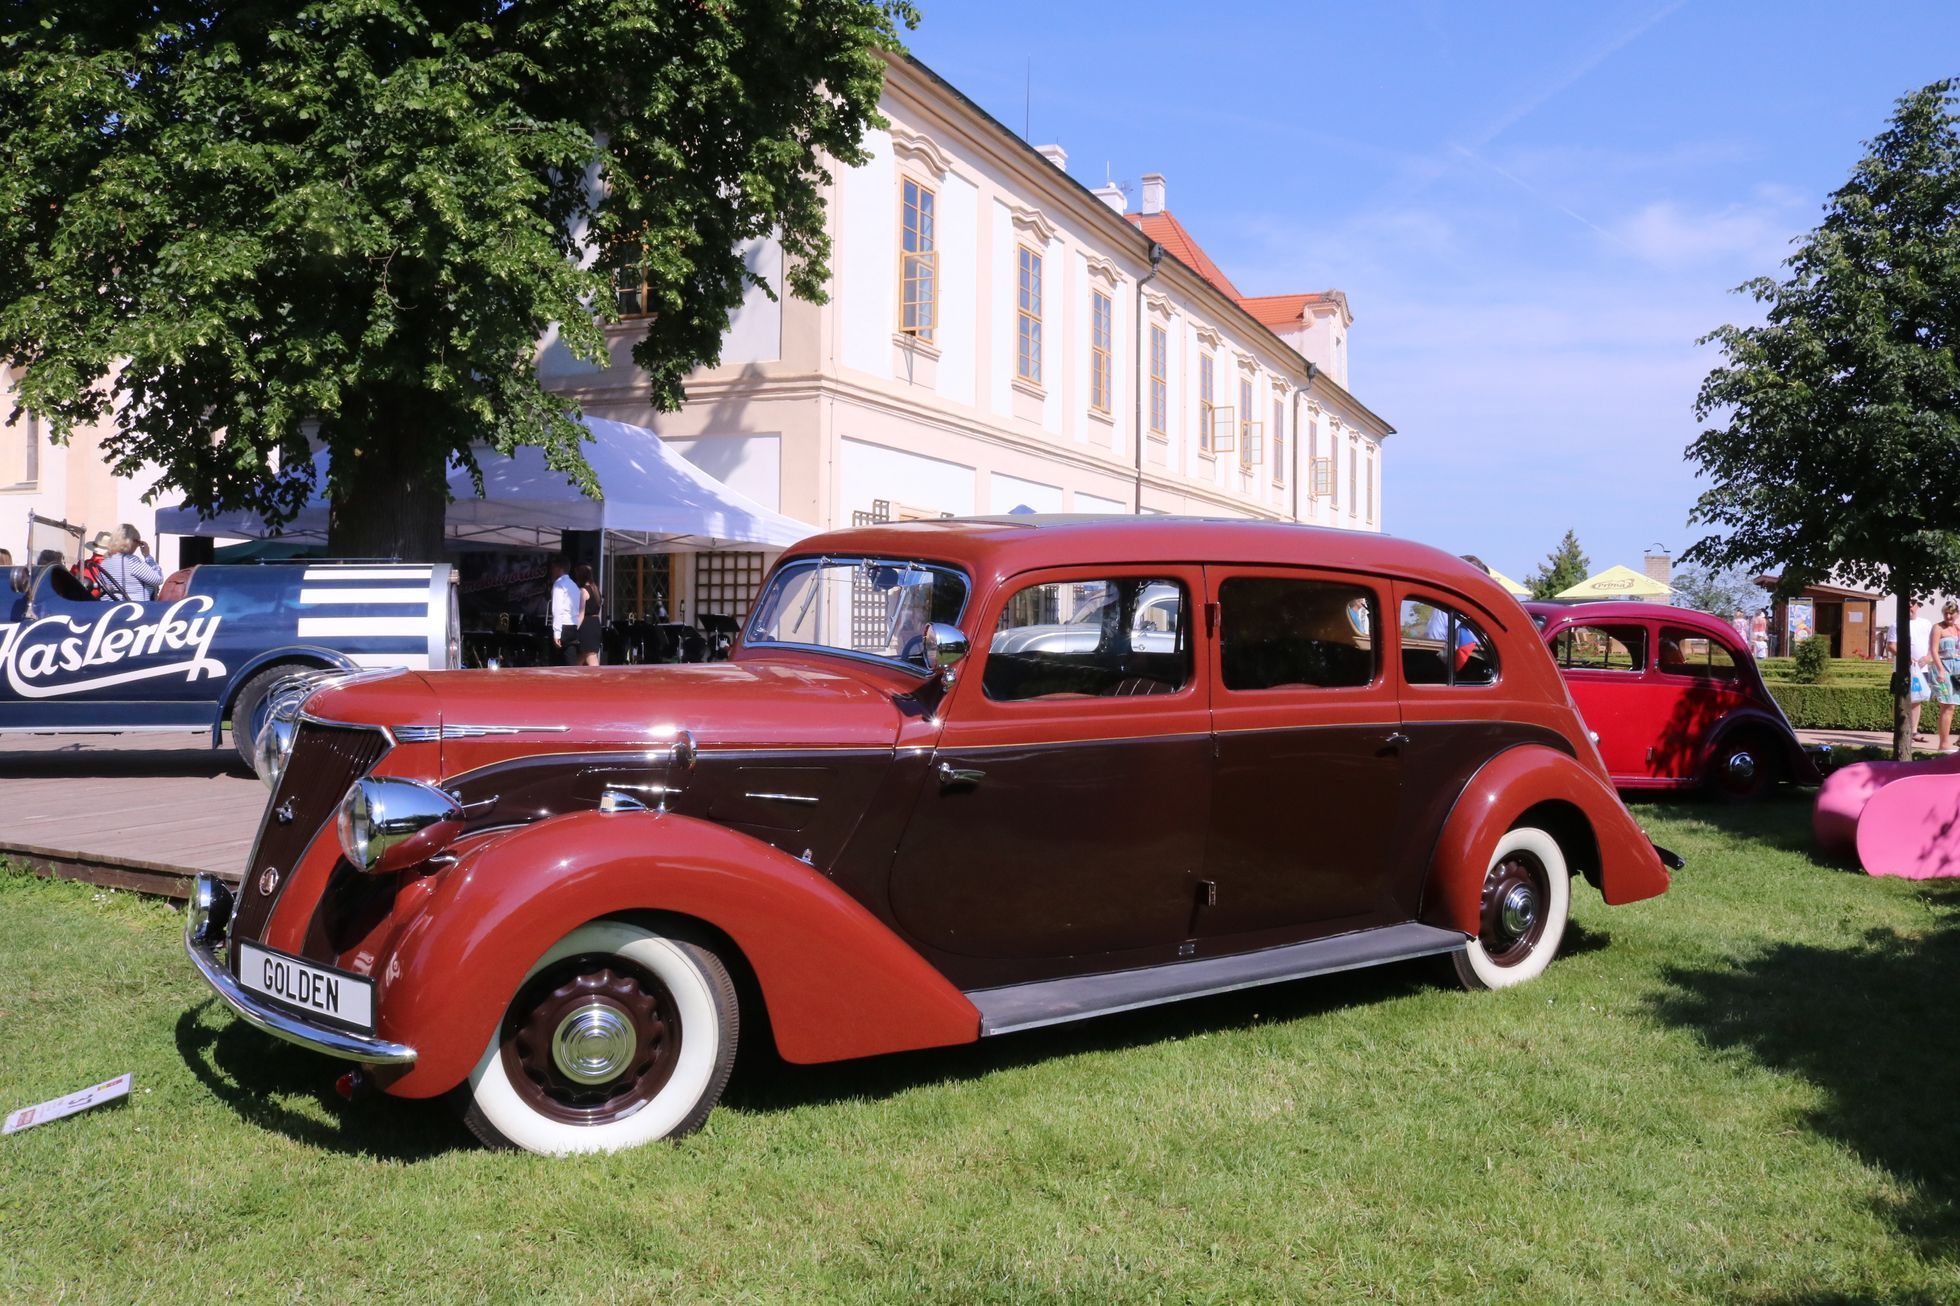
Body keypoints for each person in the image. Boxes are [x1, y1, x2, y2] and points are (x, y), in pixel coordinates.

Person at [98, 525, 162, 601]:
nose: (138, 545)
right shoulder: (131, 561)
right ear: (130, 541)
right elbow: (158, 579)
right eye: (138, 542)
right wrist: (147, 556)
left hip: (109, 607)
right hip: (133, 608)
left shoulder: (105, 562)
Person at [1932, 601, 1960, 752]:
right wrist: (1940, 670)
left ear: (1957, 614)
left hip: (1958, 669)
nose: (1948, 616)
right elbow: (1934, 650)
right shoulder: (1938, 628)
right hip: (1943, 669)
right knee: (1947, 705)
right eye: (1945, 613)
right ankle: (1943, 743)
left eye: (1951, 613)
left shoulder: (1957, 629)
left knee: (1954, 705)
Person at [1908, 600, 1934, 742]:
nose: (1910, 606)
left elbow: (1933, 643)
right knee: (1902, 699)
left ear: (1917, 606)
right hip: (1904, 669)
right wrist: (1906, 657)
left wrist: (1929, 657)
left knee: (1917, 699)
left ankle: (1913, 732)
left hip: (1921, 668)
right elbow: (1891, 646)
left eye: (1912, 603)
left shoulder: (1926, 623)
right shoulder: (1897, 623)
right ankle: (1901, 729)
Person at [549, 556, 581, 665]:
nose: (552, 571)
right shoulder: (574, 585)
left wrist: (556, 633)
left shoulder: (559, 584)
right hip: (573, 626)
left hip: (563, 627)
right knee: (571, 662)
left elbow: (557, 610)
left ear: (559, 568)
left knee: (557, 664)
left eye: (553, 568)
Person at [574, 564, 603, 667]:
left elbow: (581, 614)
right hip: (595, 623)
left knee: (590, 656)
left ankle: (597, 679)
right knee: (583, 655)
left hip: (587, 625)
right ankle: (574, 675)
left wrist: (575, 628)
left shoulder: (583, 591)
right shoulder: (596, 589)